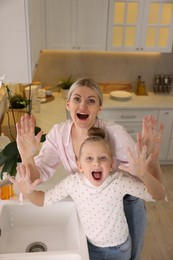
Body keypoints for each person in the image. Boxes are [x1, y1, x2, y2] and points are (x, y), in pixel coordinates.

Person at [16, 78, 164, 260]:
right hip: (91, 205)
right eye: (77, 99)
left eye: (91, 101)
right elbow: (38, 177)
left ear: (99, 108)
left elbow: (153, 186)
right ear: (68, 104)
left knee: (132, 255)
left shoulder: (114, 134)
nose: (83, 105)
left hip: (125, 201)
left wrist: (151, 159)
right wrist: (27, 156)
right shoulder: (59, 134)